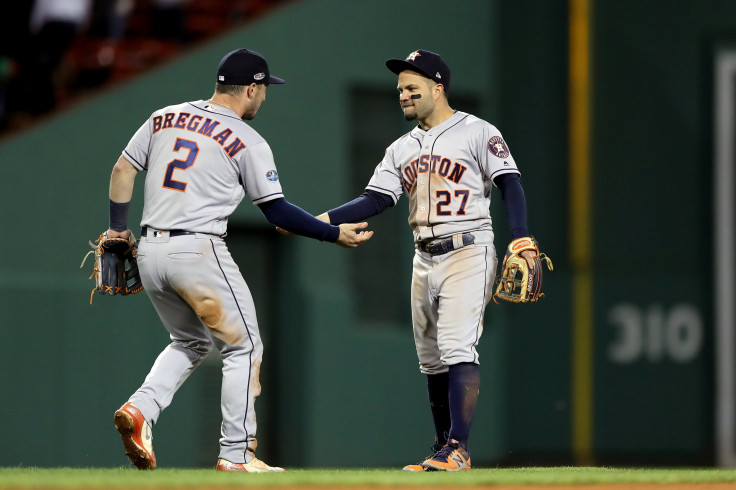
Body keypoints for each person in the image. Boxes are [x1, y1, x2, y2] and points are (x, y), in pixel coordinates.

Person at [106, 48, 373, 472]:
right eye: (264, 90)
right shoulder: (248, 140)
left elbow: (123, 170)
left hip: (150, 250)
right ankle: (236, 455)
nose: (264, 98)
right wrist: (333, 233)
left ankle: (140, 410)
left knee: (191, 342)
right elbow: (277, 211)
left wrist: (118, 228)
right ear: (251, 87)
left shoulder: (164, 116)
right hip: (198, 250)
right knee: (244, 347)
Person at [315, 49, 538, 471]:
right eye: (400, 89)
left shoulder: (477, 131)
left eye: (412, 88)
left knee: (456, 347)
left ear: (438, 88)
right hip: (423, 255)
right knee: (431, 358)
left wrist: (522, 236)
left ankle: (459, 448)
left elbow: (509, 183)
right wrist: (319, 220)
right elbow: (376, 199)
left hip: (469, 248)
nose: (403, 95)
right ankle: (441, 447)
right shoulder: (401, 147)